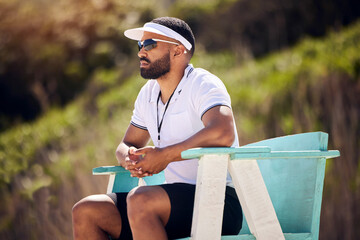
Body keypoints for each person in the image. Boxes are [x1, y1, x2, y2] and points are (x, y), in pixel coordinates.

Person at [72, 16, 242, 240]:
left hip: (219, 201)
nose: (141, 52)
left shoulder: (203, 83)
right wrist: (130, 158)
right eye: (139, 45)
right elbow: (127, 144)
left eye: (149, 44)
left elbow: (223, 132)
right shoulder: (148, 94)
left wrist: (164, 156)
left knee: (141, 199)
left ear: (178, 50)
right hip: (170, 202)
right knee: (86, 211)